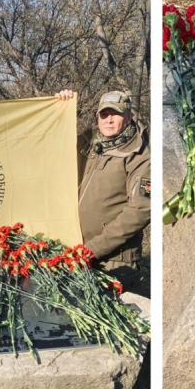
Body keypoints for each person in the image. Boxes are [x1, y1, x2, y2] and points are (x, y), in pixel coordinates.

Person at [56, 89, 151, 294]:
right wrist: (59, 107)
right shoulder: (88, 143)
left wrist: (94, 249)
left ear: (128, 116)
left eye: (115, 114)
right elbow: (52, 144)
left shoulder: (140, 156)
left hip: (113, 263)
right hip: (74, 251)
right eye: (104, 114)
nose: (109, 120)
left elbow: (140, 211)